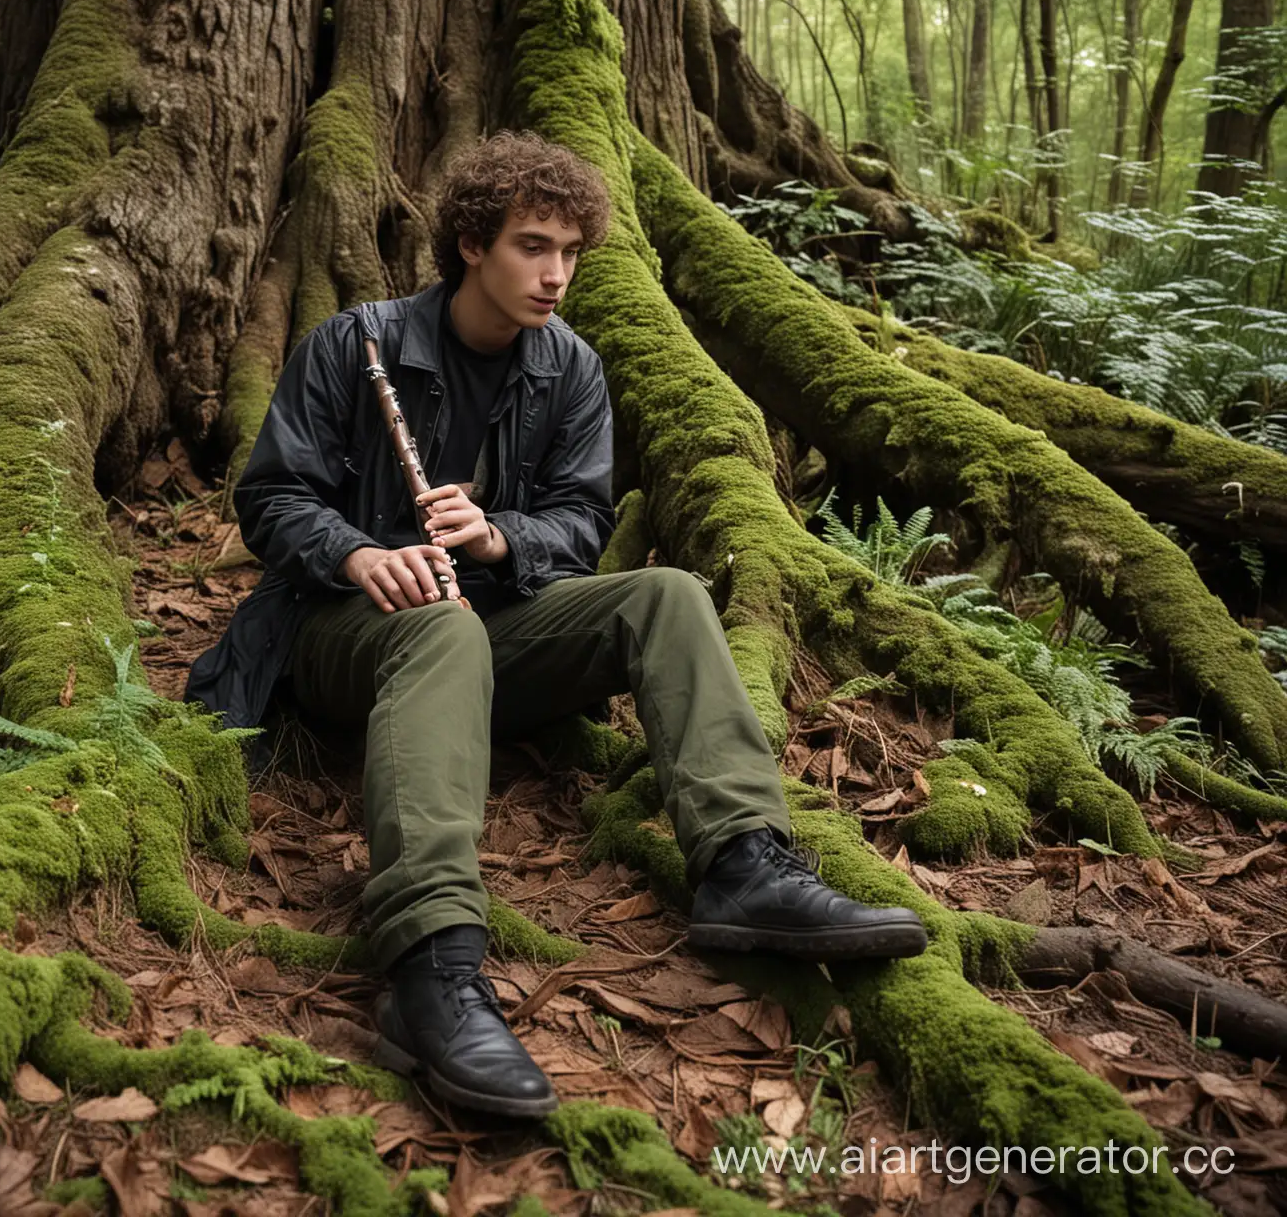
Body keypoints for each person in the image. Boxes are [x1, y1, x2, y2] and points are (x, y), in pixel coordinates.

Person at [185, 130, 927, 1120]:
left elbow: (580, 527)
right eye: (534, 246)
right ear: (470, 246)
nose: (555, 273)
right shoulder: (356, 345)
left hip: (491, 633)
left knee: (668, 595)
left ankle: (743, 863)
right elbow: (271, 498)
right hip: (345, 632)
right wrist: (361, 552)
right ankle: (431, 964)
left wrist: (497, 538)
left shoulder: (570, 367)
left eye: (571, 252)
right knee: (438, 628)